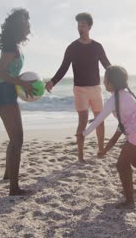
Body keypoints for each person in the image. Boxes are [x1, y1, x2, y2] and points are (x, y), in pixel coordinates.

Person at [80, 65, 136, 208]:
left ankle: (130, 201)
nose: (104, 83)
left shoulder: (115, 98)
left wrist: (83, 134)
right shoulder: (127, 94)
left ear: (112, 82)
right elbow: (111, 116)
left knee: (122, 165)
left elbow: (100, 119)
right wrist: (94, 124)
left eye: (106, 80)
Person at [45, 12, 111, 162]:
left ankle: (101, 150)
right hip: (80, 89)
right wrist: (52, 82)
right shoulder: (72, 47)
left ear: (89, 27)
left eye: (83, 25)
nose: (80, 28)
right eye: (78, 25)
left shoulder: (97, 47)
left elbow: (107, 65)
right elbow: (63, 67)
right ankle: (81, 155)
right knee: (83, 120)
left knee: (99, 119)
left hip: (95, 88)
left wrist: (118, 77)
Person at [0, 8, 34, 196]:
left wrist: (22, 82)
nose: (28, 26)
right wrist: (21, 82)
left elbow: (11, 72)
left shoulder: (15, 45)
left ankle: (8, 176)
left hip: (7, 92)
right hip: (4, 92)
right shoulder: (10, 46)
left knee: (14, 139)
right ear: (18, 26)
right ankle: (14, 188)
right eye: (25, 22)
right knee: (18, 139)